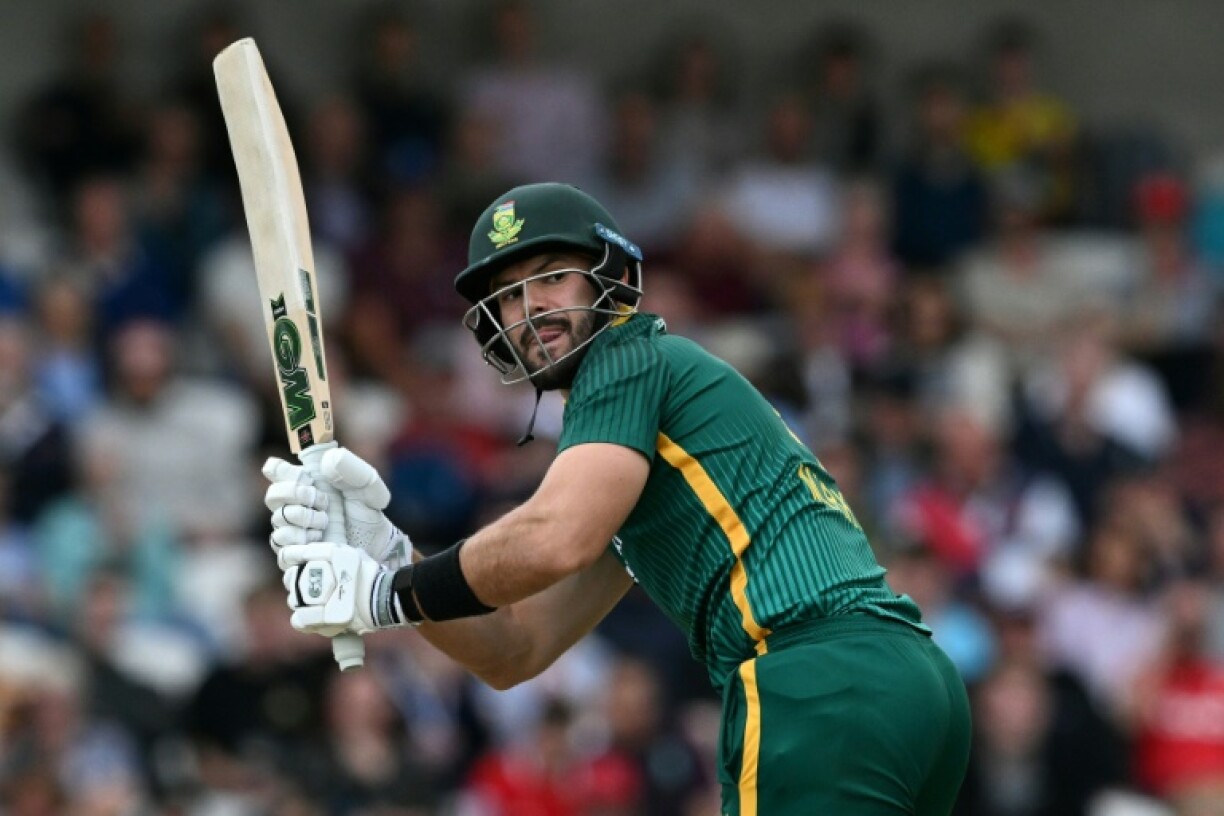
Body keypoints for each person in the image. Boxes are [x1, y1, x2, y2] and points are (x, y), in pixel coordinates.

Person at [262, 182, 971, 813]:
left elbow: (554, 536)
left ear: (615, 279)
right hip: (902, 685)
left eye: (549, 278)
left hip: (819, 680)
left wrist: (388, 593)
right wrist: (390, 551)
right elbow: (514, 650)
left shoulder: (627, 354)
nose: (527, 306)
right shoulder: (635, 460)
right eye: (508, 293)